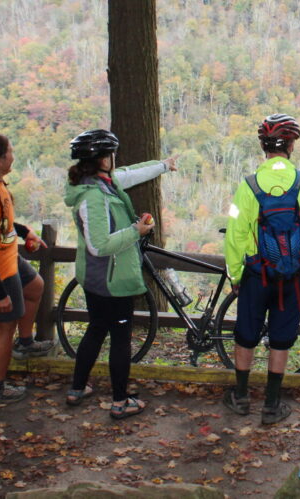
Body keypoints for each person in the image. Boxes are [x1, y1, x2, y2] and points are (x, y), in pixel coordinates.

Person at [222, 113, 300, 425]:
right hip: (291, 276)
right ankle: (271, 404)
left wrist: (236, 275)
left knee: (246, 335)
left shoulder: (248, 186)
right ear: (292, 146)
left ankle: (241, 397)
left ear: (263, 147)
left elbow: (235, 234)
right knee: (281, 337)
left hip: (257, 273)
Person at [63, 129, 177, 420]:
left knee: (96, 329)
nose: (115, 160)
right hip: (110, 279)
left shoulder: (102, 183)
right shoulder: (94, 197)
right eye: (111, 154)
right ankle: (119, 401)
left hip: (96, 278)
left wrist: (163, 164)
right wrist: (135, 231)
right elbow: (99, 245)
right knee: (120, 338)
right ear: (102, 159)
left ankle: (77, 388)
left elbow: (130, 174)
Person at [0, 133, 53, 407]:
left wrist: (26, 232)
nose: (13, 156)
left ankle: (25, 344)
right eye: (10, 152)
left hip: (8, 258)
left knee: (36, 287)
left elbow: (3, 224)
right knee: (4, 327)